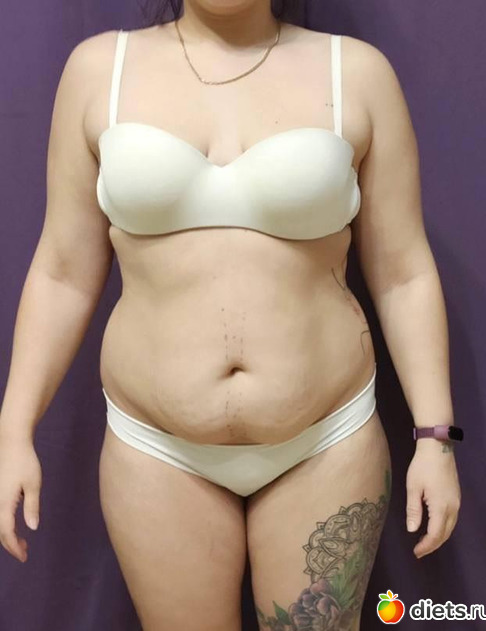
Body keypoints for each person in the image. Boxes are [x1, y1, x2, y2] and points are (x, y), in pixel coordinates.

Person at [0, 1, 462, 629]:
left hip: (327, 440)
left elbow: (404, 274)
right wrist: (14, 430)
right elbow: (62, 272)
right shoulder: (99, 69)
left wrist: (436, 439)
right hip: (154, 447)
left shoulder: (356, 72)